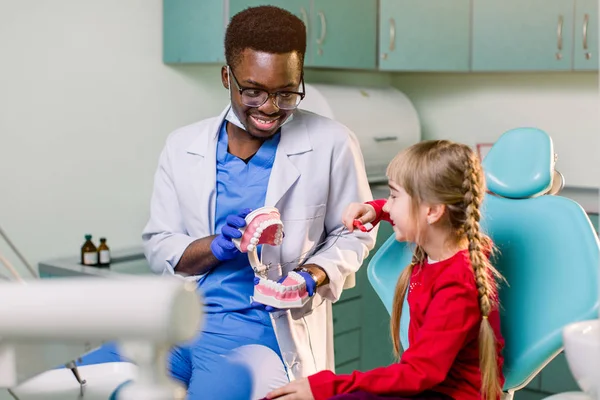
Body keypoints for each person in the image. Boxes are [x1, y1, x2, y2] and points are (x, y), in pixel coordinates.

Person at [141, 5, 375, 399]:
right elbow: (159, 244)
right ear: (225, 77)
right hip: (183, 326)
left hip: (264, 337)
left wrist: (311, 276)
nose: (269, 107)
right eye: (253, 91)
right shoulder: (183, 146)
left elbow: (354, 235)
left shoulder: (333, 142)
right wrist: (213, 246)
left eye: (286, 93)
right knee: (98, 379)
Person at [265, 140, 506, 400]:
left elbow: (418, 374)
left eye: (394, 195)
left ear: (433, 211)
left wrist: (323, 387)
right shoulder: (450, 243)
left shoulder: (457, 285)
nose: (388, 205)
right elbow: (412, 213)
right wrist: (375, 209)